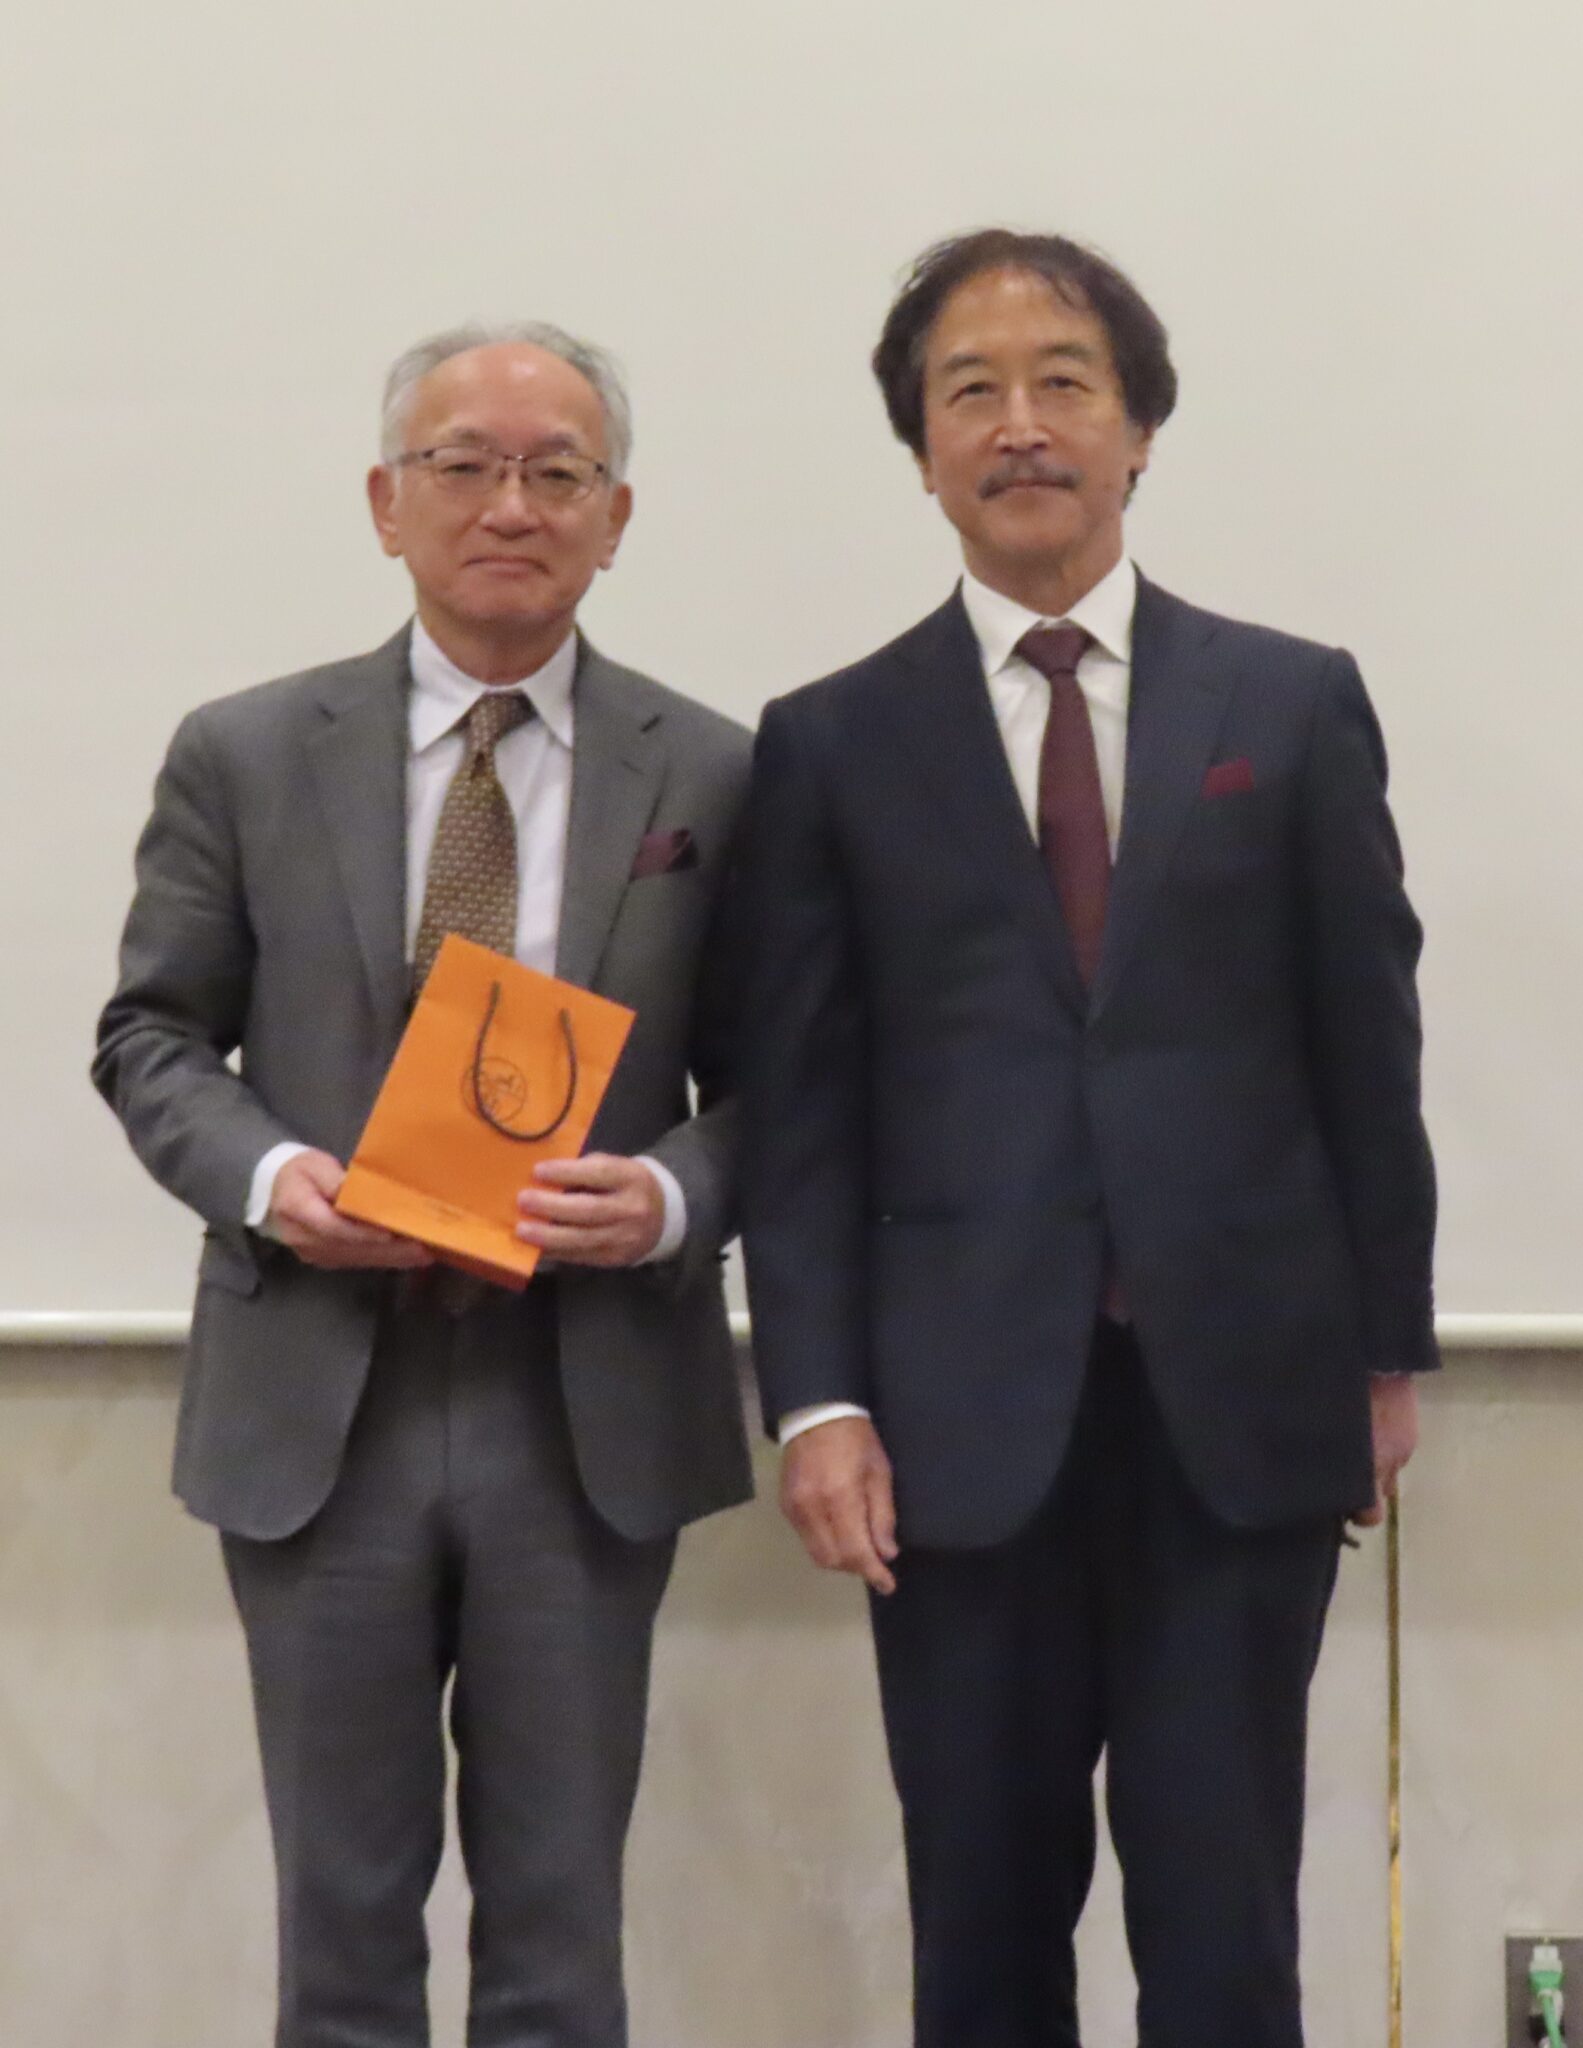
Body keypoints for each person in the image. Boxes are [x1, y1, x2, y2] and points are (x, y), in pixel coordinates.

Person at [736, 230, 1435, 2048]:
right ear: (921, 452)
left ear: (1140, 430)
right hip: (954, 1430)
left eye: (1065, 382)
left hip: (1242, 1410)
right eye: (970, 391)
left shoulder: (1288, 702)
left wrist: (1386, 1348)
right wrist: (817, 1402)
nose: (1020, 424)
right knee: (982, 1930)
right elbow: (799, 1110)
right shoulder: (830, 741)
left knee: (1225, 1930)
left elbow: (1368, 1045)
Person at [94, 322, 752, 2048]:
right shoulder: (245, 751)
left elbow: (786, 1089)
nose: (509, 506)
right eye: (464, 465)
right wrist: (274, 1176)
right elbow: (153, 1038)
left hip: (581, 1404)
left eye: (558, 471)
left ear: (617, 517)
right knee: (342, 1936)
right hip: (323, 1400)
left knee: (561, 1939)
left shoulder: (714, 770)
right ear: (388, 503)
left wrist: (671, 1196)